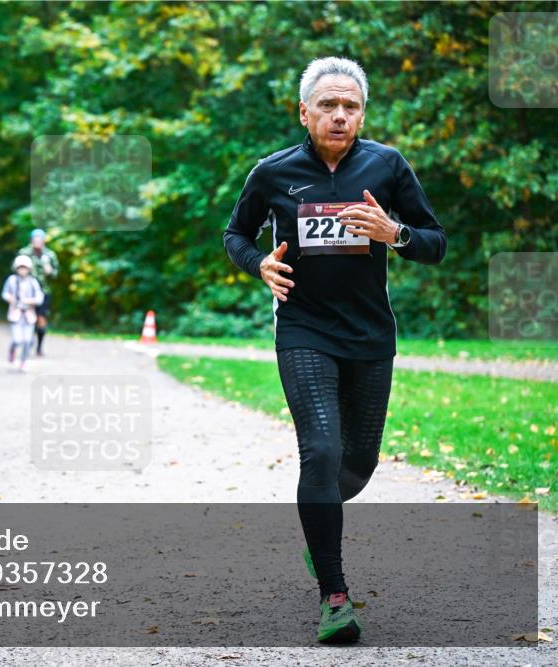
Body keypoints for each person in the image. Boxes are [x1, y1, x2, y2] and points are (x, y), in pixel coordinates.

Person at [223, 56, 446, 644]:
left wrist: (394, 234)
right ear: (305, 111)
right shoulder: (272, 173)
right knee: (320, 452)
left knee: (357, 466)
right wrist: (259, 264)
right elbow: (235, 234)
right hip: (304, 331)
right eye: (328, 105)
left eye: (350, 106)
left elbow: (435, 242)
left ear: (362, 113)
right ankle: (335, 595)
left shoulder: (387, 166)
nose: (339, 115)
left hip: (370, 336)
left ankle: (316, 528)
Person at [18, 228, 59, 356]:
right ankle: (27, 343)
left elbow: (56, 274)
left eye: (40, 239)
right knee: (28, 318)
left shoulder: (50, 255)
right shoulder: (24, 253)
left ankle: (39, 347)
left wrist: (50, 271)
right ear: (31, 240)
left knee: (41, 319)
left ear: (44, 241)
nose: (37, 242)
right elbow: (15, 269)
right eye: (35, 239)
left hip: (43, 291)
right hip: (27, 291)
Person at [1, 255, 45, 372]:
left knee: (28, 340)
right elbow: (4, 293)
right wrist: (11, 299)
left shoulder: (33, 282)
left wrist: (29, 301)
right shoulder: (11, 280)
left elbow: (39, 297)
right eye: (20, 267)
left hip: (29, 315)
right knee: (17, 339)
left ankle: (23, 361)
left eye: (25, 267)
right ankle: (13, 349)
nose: (22, 270)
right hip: (15, 314)